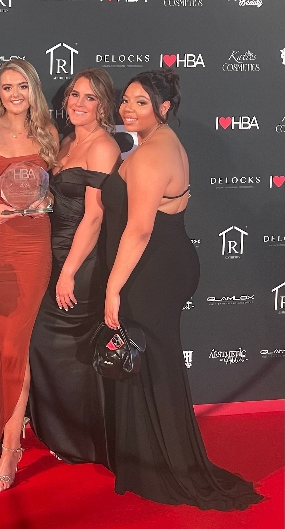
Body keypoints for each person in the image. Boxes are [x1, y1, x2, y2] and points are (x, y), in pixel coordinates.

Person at [102, 69, 262, 509]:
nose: (127, 109)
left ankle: (169, 466)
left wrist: (112, 289)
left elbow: (138, 230)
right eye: (125, 100)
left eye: (139, 102)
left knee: (157, 366)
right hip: (159, 264)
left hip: (153, 268)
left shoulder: (154, 153)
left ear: (164, 107)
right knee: (151, 365)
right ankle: (146, 459)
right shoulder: (154, 143)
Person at [0, 59, 58, 491]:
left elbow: (58, 188)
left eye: (22, 85)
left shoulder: (48, 134)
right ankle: (9, 434)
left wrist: (45, 200)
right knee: (1, 344)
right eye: (5, 87)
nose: (14, 93)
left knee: (15, 344)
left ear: (33, 89)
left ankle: (9, 448)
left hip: (32, 246)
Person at [28, 68, 120, 465]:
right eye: (74, 95)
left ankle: (85, 442)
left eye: (89, 98)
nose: (78, 103)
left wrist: (67, 272)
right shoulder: (66, 142)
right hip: (53, 252)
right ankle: (62, 433)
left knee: (70, 351)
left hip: (79, 262)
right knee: (50, 348)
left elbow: (94, 217)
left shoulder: (103, 146)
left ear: (103, 106)